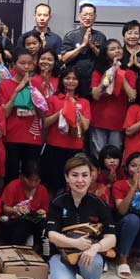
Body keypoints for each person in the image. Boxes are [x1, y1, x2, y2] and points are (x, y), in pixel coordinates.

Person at [46, 154, 116, 279]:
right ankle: (68, 275)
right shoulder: (58, 202)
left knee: (94, 261)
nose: (80, 180)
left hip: (89, 255)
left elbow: (111, 238)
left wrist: (94, 248)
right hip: (62, 254)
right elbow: (52, 235)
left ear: (91, 177)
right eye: (74, 175)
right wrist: (74, 243)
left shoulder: (99, 204)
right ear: (67, 178)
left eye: (85, 175)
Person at [41, 67, 91, 195]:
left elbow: (85, 127)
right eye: (67, 78)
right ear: (62, 80)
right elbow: (45, 123)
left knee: (73, 184)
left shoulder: (84, 102)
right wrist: (62, 110)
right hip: (54, 147)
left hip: (75, 148)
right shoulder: (54, 99)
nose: (71, 81)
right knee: (52, 184)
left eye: (74, 79)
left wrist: (75, 110)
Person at [0, 48, 44, 183]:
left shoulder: (37, 83)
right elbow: (4, 113)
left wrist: (35, 95)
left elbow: (42, 114)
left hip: (32, 136)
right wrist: (17, 90)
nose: (27, 66)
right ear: (14, 64)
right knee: (11, 174)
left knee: (30, 174)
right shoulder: (5, 85)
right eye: (22, 63)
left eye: (30, 63)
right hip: (12, 136)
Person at [90, 39, 137, 158]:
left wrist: (120, 74)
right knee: (98, 155)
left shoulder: (130, 73)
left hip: (118, 120)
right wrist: (109, 74)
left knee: (114, 157)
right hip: (99, 118)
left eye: (119, 48)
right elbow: (96, 95)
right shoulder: (98, 72)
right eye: (112, 49)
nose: (117, 50)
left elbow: (132, 95)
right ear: (105, 54)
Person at [59, 3, 107, 96]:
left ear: (95, 17)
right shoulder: (71, 35)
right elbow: (64, 58)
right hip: (74, 81)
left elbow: (104, 59)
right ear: (79, 16)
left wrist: (92, 46)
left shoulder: (100, 36)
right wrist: (82, 46)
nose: (88, 18)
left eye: (91, 15)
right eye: (85, 14)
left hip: (94, 82)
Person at [0, 160, 49, 246]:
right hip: (14, 223)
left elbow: (45, 211)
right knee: (23, 224)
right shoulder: (13, 186)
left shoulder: (42, 190)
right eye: (30, 180)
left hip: (34, 224)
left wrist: (43, 213)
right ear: (22, 177)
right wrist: (16, 210)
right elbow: (5, 208)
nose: (33, 184)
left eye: (37, 180)